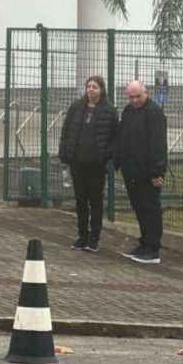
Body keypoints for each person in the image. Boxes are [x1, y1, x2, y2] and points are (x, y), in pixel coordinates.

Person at [58, 75, 118, 253]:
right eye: (88, 87)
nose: (91, 90)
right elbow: (66, 131)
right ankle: (82, 235)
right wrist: (65, 155)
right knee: (80, 201)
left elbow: (115, 136)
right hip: (78, 162)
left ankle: (94, 238)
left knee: (96, 201)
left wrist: (106, 155)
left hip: (96, 165)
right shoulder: (76, 107)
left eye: (95, 87)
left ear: (101, 90)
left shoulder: (109, 110)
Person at [115, 80, 167, 264]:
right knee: (139, 208)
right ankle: (144, 243)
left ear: (146, 93)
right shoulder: (128, 111)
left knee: (150, 208)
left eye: (138, 96)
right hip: (131, 170)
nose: (135, 100)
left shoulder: (154, 113)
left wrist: (156, 172)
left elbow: (158, 145)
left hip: (148, 172)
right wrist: (118, 161)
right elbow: (123, 137)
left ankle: (152, 249)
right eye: (131, 97)